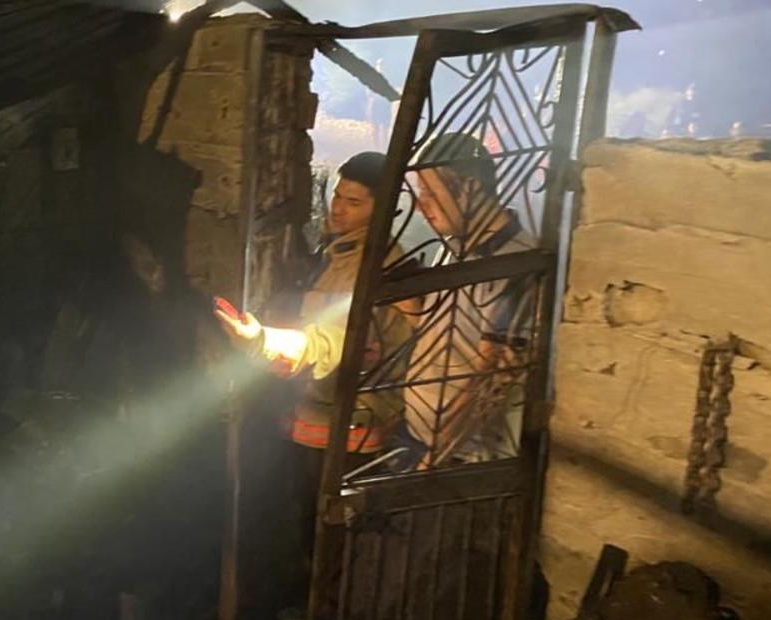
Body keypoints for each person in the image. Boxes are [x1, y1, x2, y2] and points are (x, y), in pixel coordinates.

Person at [214, 151, 413, 461]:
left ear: (384, 208)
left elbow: (332, 340)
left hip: (347, 427)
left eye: (354, 203)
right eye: (338, 196)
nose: (338, 208)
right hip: (319, 413)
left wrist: (262, 343)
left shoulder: (371, 267)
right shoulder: (341, 250)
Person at [404, 132, 538, 465]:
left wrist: (431, 462)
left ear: (470, 187)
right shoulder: (453, 248)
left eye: (430, 193)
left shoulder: (517, 265)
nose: (421, 206)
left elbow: (491, 378)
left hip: (464, 461)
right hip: (425, 444)